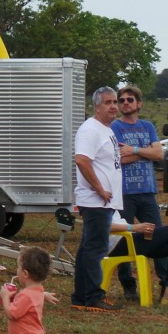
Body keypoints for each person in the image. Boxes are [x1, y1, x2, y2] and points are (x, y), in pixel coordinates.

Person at [111, 85, 168, 301]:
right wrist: (147, 153)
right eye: (122, 100)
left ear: (139, 104)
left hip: (147, 193)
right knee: (126, 239)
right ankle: (128, 286)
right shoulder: (115, 128)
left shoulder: (147, 126)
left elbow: (159, 153)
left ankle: (165, 283)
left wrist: (135, 150)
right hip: (124, 193)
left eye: (130, 100)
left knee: (159, 237)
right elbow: (119, 159)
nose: (125, 103)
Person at [72, 86, 124, 312]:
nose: (114, 106)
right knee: (96, 249)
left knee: (88, 248)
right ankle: (92, 297)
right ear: (96, 106)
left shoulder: (106, 129)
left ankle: (81, 296)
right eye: (108, 102)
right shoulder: (90, 129)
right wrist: (100, 189)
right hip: (95, 200)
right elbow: (82, 160)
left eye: (115, 101)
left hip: (102, 201)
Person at [108, 212, 168, 304]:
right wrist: (133, 227)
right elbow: (98, 225)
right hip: (118, 241)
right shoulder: (95, 202)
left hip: (126, 236)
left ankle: (167, 292)